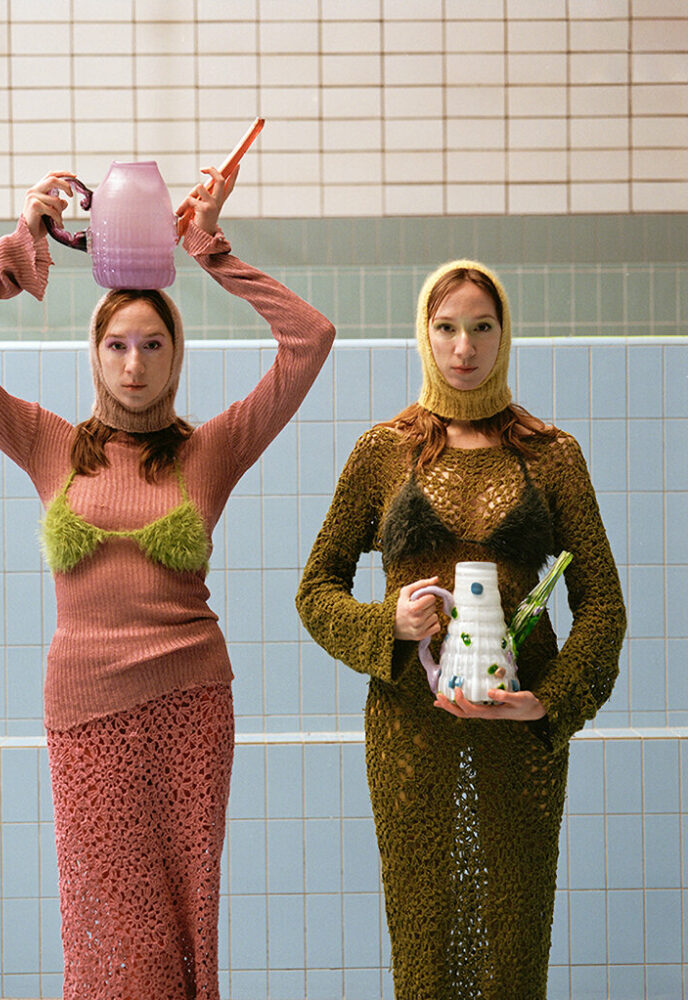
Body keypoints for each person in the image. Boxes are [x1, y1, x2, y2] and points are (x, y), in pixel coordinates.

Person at [0, 166, 335, 1000]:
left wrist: (210, 249)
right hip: (84, 713)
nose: (133, 365)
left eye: (153, 344)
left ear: (176, 355)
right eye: (116, 345)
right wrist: (16, 250)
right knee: (106, 924)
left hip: (193, 706)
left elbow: (309, 340)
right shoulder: (47, 443)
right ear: (94, 354)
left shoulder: (212, 448)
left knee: (184, 915)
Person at [295, 259, 625, 1000]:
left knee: (514, 939)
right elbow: (315, 590)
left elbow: (602, 603)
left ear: (505, 334)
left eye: (481, 327)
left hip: (521, 737)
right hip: (411, 733)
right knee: (426, 938)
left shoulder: (551, 455)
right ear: (425, 333)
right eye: (446, 328)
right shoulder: (384, 453)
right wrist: (391, 623)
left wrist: (553, 703)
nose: (464, 347)